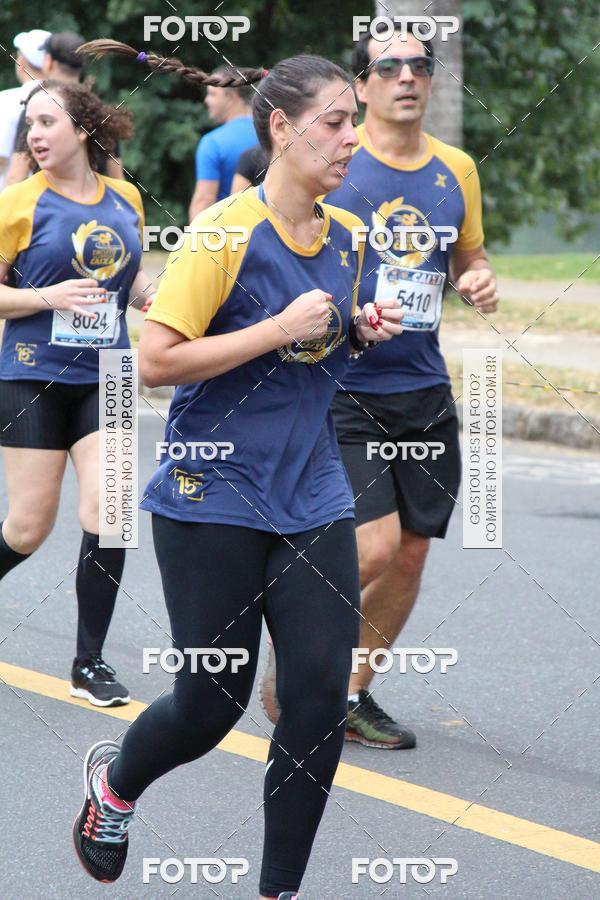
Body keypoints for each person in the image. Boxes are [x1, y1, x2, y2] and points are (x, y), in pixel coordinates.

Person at [71, 39, 402, 899]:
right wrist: (278, 328)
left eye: (354, 125)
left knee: (319, 699)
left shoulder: (354, 235)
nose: (352, 141)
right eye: (335, 124)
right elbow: (157, 361)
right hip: (208, 496)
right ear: (283, 129)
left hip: (313, 496)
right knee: (210, 707)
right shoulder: (224, 232)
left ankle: (278, 890)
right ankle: (115, 788)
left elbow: (319, 345)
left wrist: (357, 327)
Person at [259, 22, 499, 749]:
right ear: (360, 86)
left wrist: (478, 282)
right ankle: (296, 659)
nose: (407, 75)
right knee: (371, 547)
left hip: (423, 388)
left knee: (413, 552)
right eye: (388, 65)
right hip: (344, 387)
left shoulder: (455, 168)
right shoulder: (337, 161)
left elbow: (468, 259)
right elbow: (271, 242)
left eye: (420, 64)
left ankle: (348, 693)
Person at [0, 79, 155, 706]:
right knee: (29, 527)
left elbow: (129, 275)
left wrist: (152, 295)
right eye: (30, 124)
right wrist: (47, 298)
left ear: (83, 131)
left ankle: (88, 663)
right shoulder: (17, 204)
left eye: (47, 122)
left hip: (109, 377)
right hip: (32, 375)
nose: (35, 135)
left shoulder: (124, 199)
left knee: (111, 516)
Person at [3, 31, 125, 187]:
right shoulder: (96, 110)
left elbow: (16, 177)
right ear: (81, 65)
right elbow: (117, 178)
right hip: (95, 206)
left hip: (50, 207)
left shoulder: (39, 110)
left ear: (48, 62)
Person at [188, 63, 257, 220]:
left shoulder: (213, 143)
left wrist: (194, 241)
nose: (206, 100)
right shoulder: (273, 135)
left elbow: (204, 200)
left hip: (231, 236)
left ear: (231, 97)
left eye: (212, 94)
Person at [0, 29, 50, 188]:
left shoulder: (6, 101)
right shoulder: (69, 101)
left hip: (12, 203)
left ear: (21, 62)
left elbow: (1, 160)